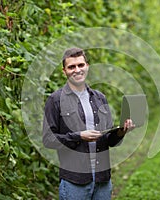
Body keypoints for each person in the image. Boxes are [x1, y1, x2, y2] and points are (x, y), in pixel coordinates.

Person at [42, 47, 134, 200]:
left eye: (80, 65)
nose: (77, 70)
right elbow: (48, 140)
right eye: (71, 67)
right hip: (74, 180)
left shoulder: (100, 98)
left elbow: (109, 140)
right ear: (64, 71)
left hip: (102, 178)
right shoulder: (55, 100)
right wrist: (78, 136)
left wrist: (121, 132)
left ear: (87, 66)